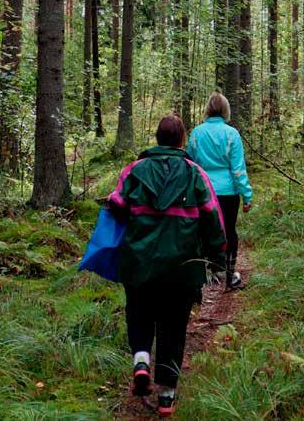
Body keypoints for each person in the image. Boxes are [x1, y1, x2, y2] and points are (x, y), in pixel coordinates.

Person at [108, 114, 226, 417]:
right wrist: (217, 255)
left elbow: (117, 204)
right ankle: (167, 397)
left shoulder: (134, 170)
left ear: (158, 139)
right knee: (174, 325)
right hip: (182, 267)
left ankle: (142, 362)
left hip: (139, 262)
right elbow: (212, 215)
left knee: (139, 313)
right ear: (181, 140)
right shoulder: (195, 173)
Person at [187, 92, 253, 290]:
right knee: (229, 231)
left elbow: (190, 164)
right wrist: (247, 195)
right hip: (227, 192)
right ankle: (230, 276)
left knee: (204, 231)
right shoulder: (231, 134)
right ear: (226, 110)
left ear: (208, 109)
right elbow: (238, 169)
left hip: (203, 191)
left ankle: (207, 274)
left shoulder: (197, 133)